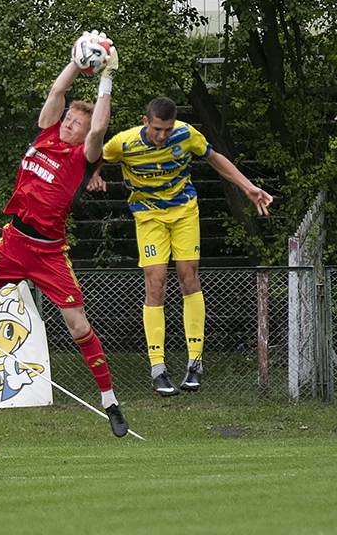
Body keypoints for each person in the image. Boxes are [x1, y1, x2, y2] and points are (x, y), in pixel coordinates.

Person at [0, 35, 130, 437]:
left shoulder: (83, 158)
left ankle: (110, 402)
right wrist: (77, 64)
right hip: (13, 242)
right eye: (68, 120)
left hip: (47, 253)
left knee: (79, 328)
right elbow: (58, 91)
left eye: (75, 124)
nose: (69, 124)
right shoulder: (46, 133)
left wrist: (106, 77)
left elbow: (100, 125)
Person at [88, 97, 272, 396]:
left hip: (184, 212)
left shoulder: (186, 134)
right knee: (155, 285)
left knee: (189, 278)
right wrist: (93, 175)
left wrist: (247, 186)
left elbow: (214, 158)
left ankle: (195, 363)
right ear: (145, 121)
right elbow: (93, 155)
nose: (163, 135)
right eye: (158, 129)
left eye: (168, 129)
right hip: (148, 217)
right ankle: (158, 368)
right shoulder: (123, 143)